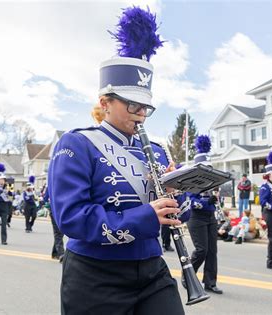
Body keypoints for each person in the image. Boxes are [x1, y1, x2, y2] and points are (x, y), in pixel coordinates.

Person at [48, 7, 186, 314]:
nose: (140, 113)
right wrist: (148, 216)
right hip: (95, 274)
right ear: (105, 103)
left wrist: (178, 193)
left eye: (145, 107)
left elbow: (177, 217)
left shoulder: (159, 151)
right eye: (132, 104)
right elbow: (71, 218)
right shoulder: (77, 144)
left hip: (151, 268)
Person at [184, 135, 223, 294]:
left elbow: (214, 199)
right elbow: (191, 201)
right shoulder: (191, 181)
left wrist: (216, 200)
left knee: (212, 251)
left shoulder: (212, 181)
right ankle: (188, 276)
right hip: (196, 217)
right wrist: (208, 202)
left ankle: (210, 282)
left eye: (209, 166)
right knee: (202, 250)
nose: (208, 170)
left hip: (210, 217)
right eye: (205, 167)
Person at [43, 188, 64, 262]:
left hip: (63, 211)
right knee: (58, 232)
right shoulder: (51, 185)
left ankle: (55, 252)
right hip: (55, 211)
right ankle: (61, 254)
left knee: (61, 232)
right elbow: (45, 199)